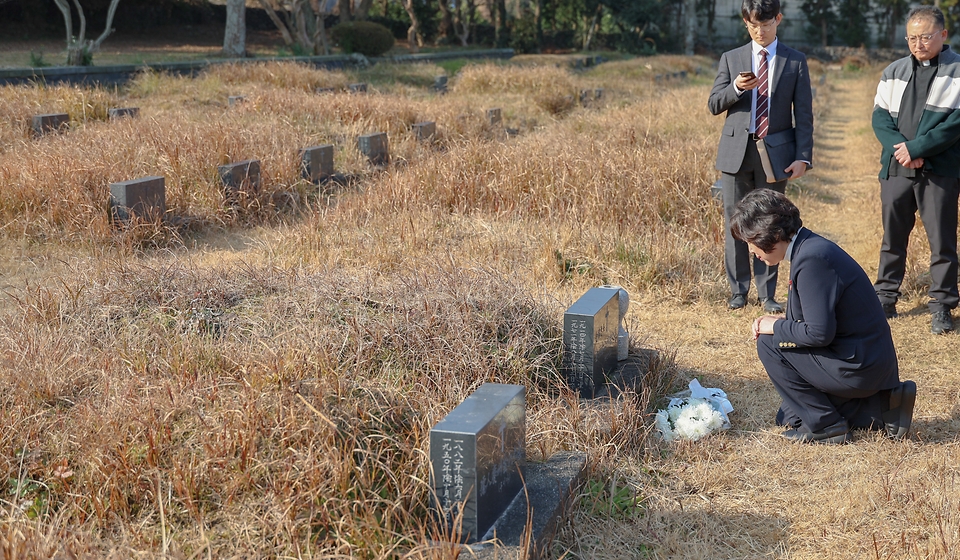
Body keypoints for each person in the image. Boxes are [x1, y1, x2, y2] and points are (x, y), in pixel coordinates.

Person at [732, 189, 916, 444]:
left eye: (751, 242)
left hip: (859, 365)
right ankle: (882, 408)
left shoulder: (812, 259)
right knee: (789, 416)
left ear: (770, 234)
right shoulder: (810, 248)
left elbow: (818, 333)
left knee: (768, 343)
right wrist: (780, 324)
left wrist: (774, 326)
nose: (752, 251)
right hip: (863, 360)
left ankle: (827, 426)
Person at [708, 0, 814, 314]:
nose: (760, 31)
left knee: (772, 223)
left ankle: (767, 294)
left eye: (766, 24)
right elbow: (714, 104)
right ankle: (738, 291)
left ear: (778, 20)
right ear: (745, 22)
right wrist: (737, 89)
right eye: (753, 25)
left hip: (776, 154)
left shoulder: (795, 61)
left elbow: (804, 115)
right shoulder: (731, 58)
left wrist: (803, 156)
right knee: (735, 222)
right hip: (735, 152)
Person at [872, 5, 960, 335]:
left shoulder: (957, 71)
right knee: (892, 236)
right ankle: (885, 297)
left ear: (942, 35)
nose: (918, 44)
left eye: (925, 36)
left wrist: (917, 149)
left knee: (942, 240)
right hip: (897, 167)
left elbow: (955, 124)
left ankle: (942, 304)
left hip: (940, 168)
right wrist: (903, 150)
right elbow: (879, 117)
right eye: (911, 37)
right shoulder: (893, 71)